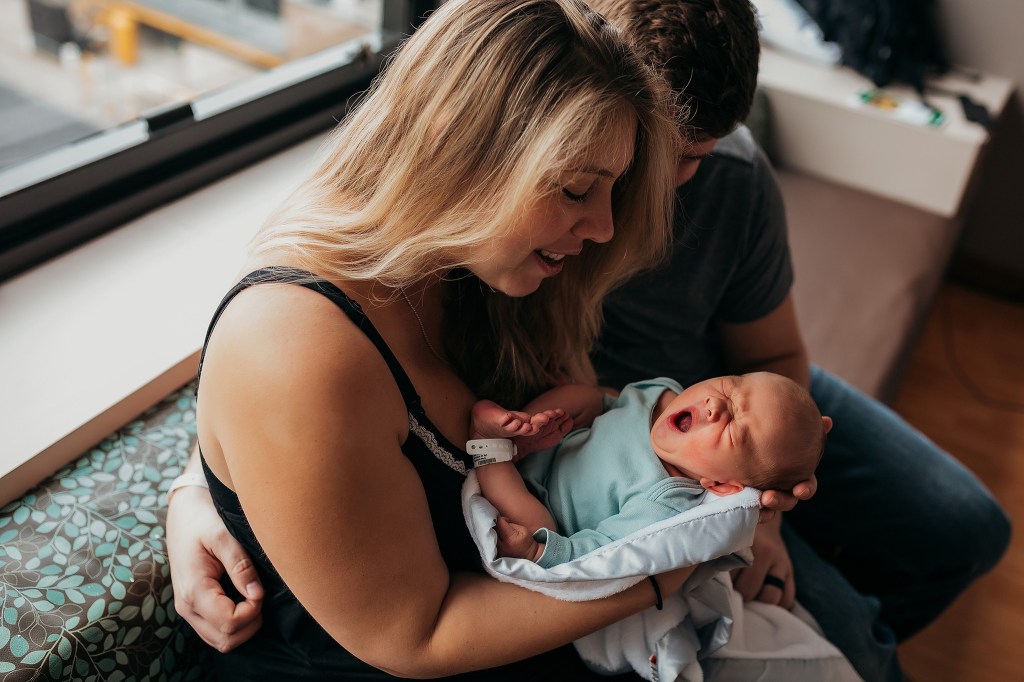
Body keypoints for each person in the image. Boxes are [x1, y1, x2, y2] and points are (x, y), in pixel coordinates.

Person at [166, 1, 721, 679]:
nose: (603, 227)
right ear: (456, 144)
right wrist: (673, 560)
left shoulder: (481, 272)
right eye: (578, 189)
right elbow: (416, 638)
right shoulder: (296, 346)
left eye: (611, 190)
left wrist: (726, 474)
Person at [579, 1, 1010, 681]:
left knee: (972, 531)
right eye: (666, 151)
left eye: (699, 154)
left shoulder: (735, 178)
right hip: (652, 448)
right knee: (862, 654)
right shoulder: (547, 180)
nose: (679, 177)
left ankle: (835, 609)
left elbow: (773, 355)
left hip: (736, 381)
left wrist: (769, 517)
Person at [471, 373, 831, 565]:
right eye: (731, 386)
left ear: (723, 486)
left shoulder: (667, 503)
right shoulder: (664, 396)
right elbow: (612, 405)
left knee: (537, 528)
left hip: (543, 501)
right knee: (586, 396)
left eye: (736, 430)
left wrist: (540, 554)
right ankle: (525, 431)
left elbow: (605, 550)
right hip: (558, 442)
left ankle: (490, 446)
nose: (714, 404)